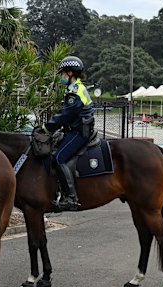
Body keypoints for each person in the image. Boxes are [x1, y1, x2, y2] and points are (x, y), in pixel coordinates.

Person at [45, 55, 96, 211]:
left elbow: (66, 114)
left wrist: (47, 126)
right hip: (76, 129)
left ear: (70, 73)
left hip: (80, 132)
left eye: (62, 74)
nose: (61, 77)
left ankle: (71, 198)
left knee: (59, 157)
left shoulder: (75, 91)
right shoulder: (75, 88)